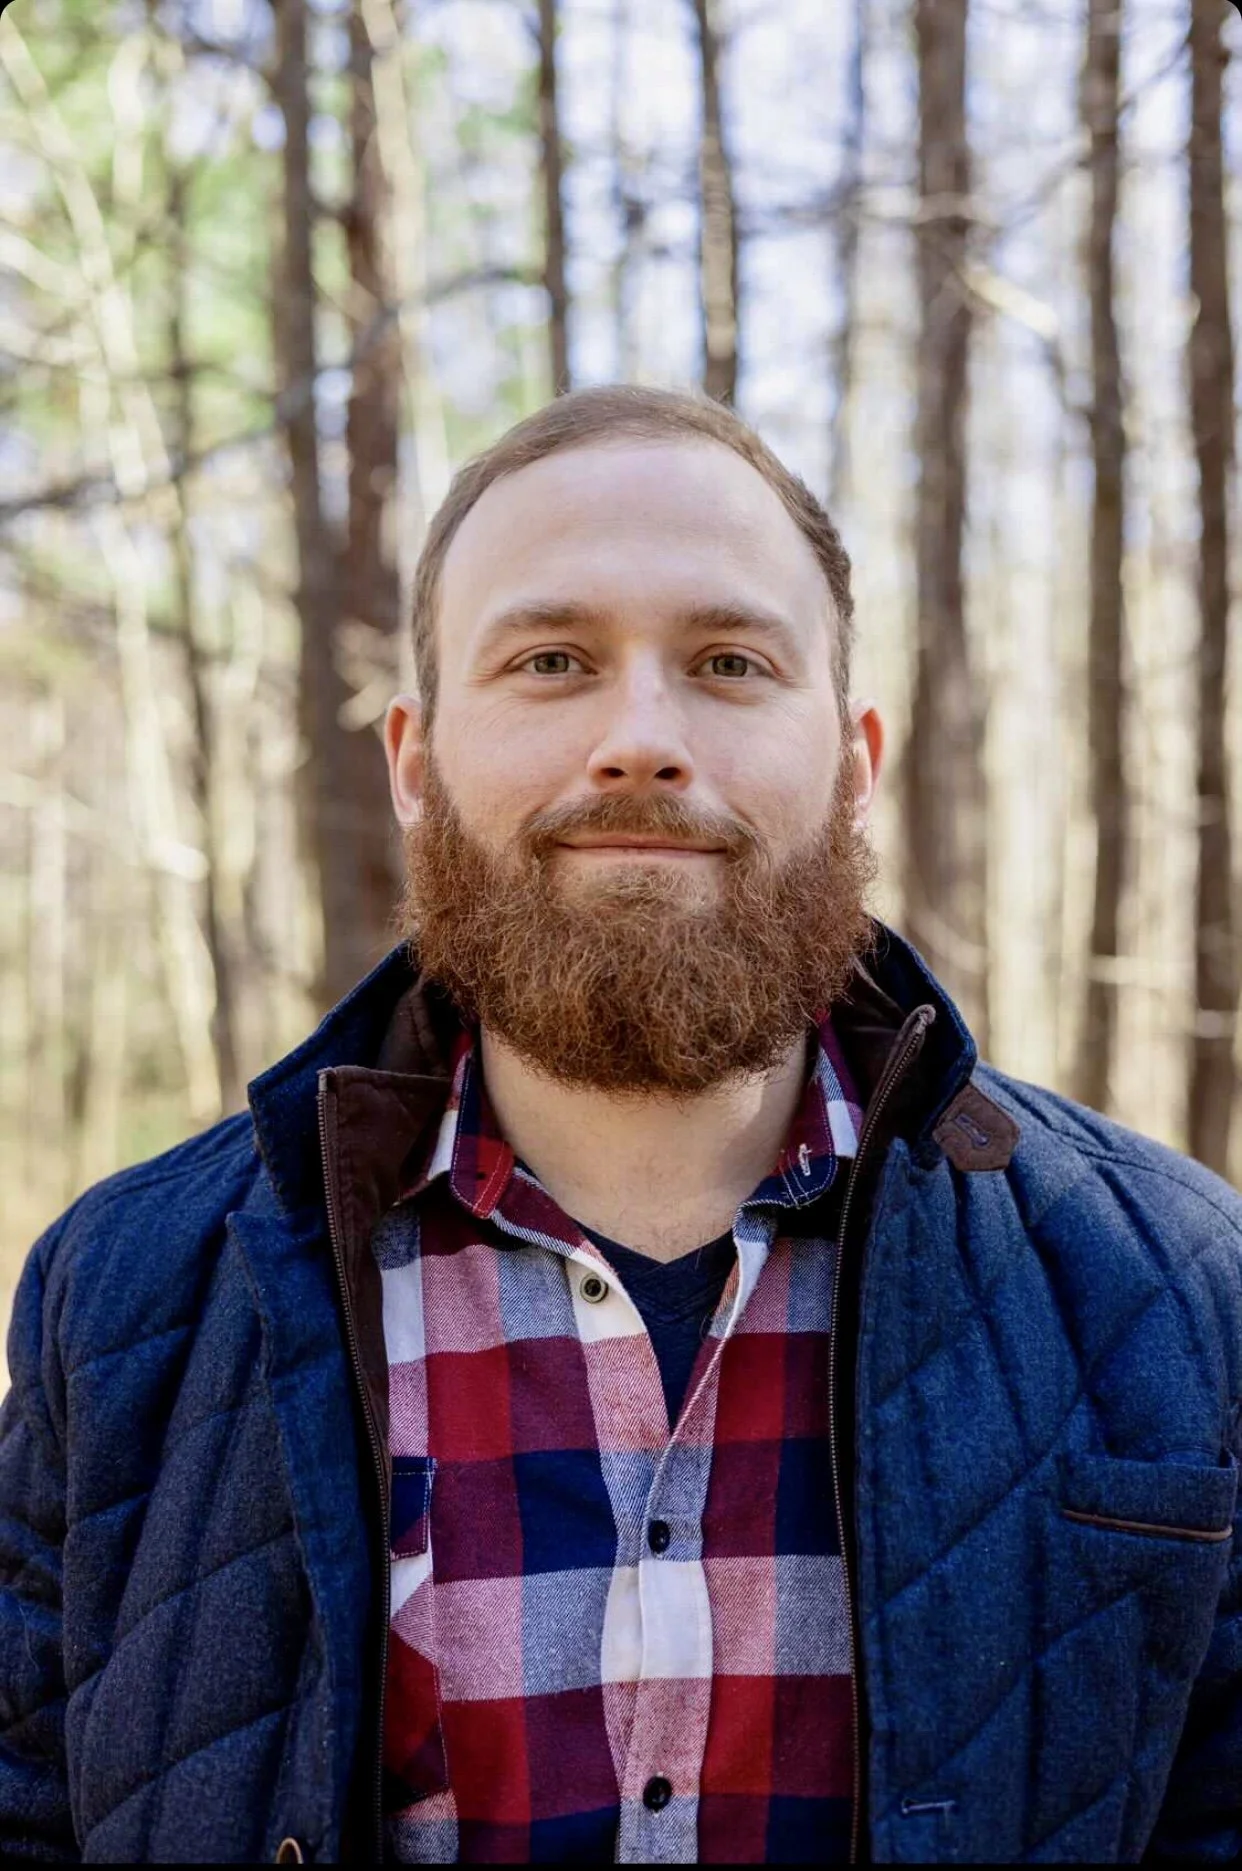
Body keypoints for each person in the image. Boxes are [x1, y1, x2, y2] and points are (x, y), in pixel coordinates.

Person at [1, 385, 1239, 1868]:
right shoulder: (127, 1294)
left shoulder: (1174, 1287)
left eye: (726, 662)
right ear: (413, 759)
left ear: (853, 762)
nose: (640, 739)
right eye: (550, 660)